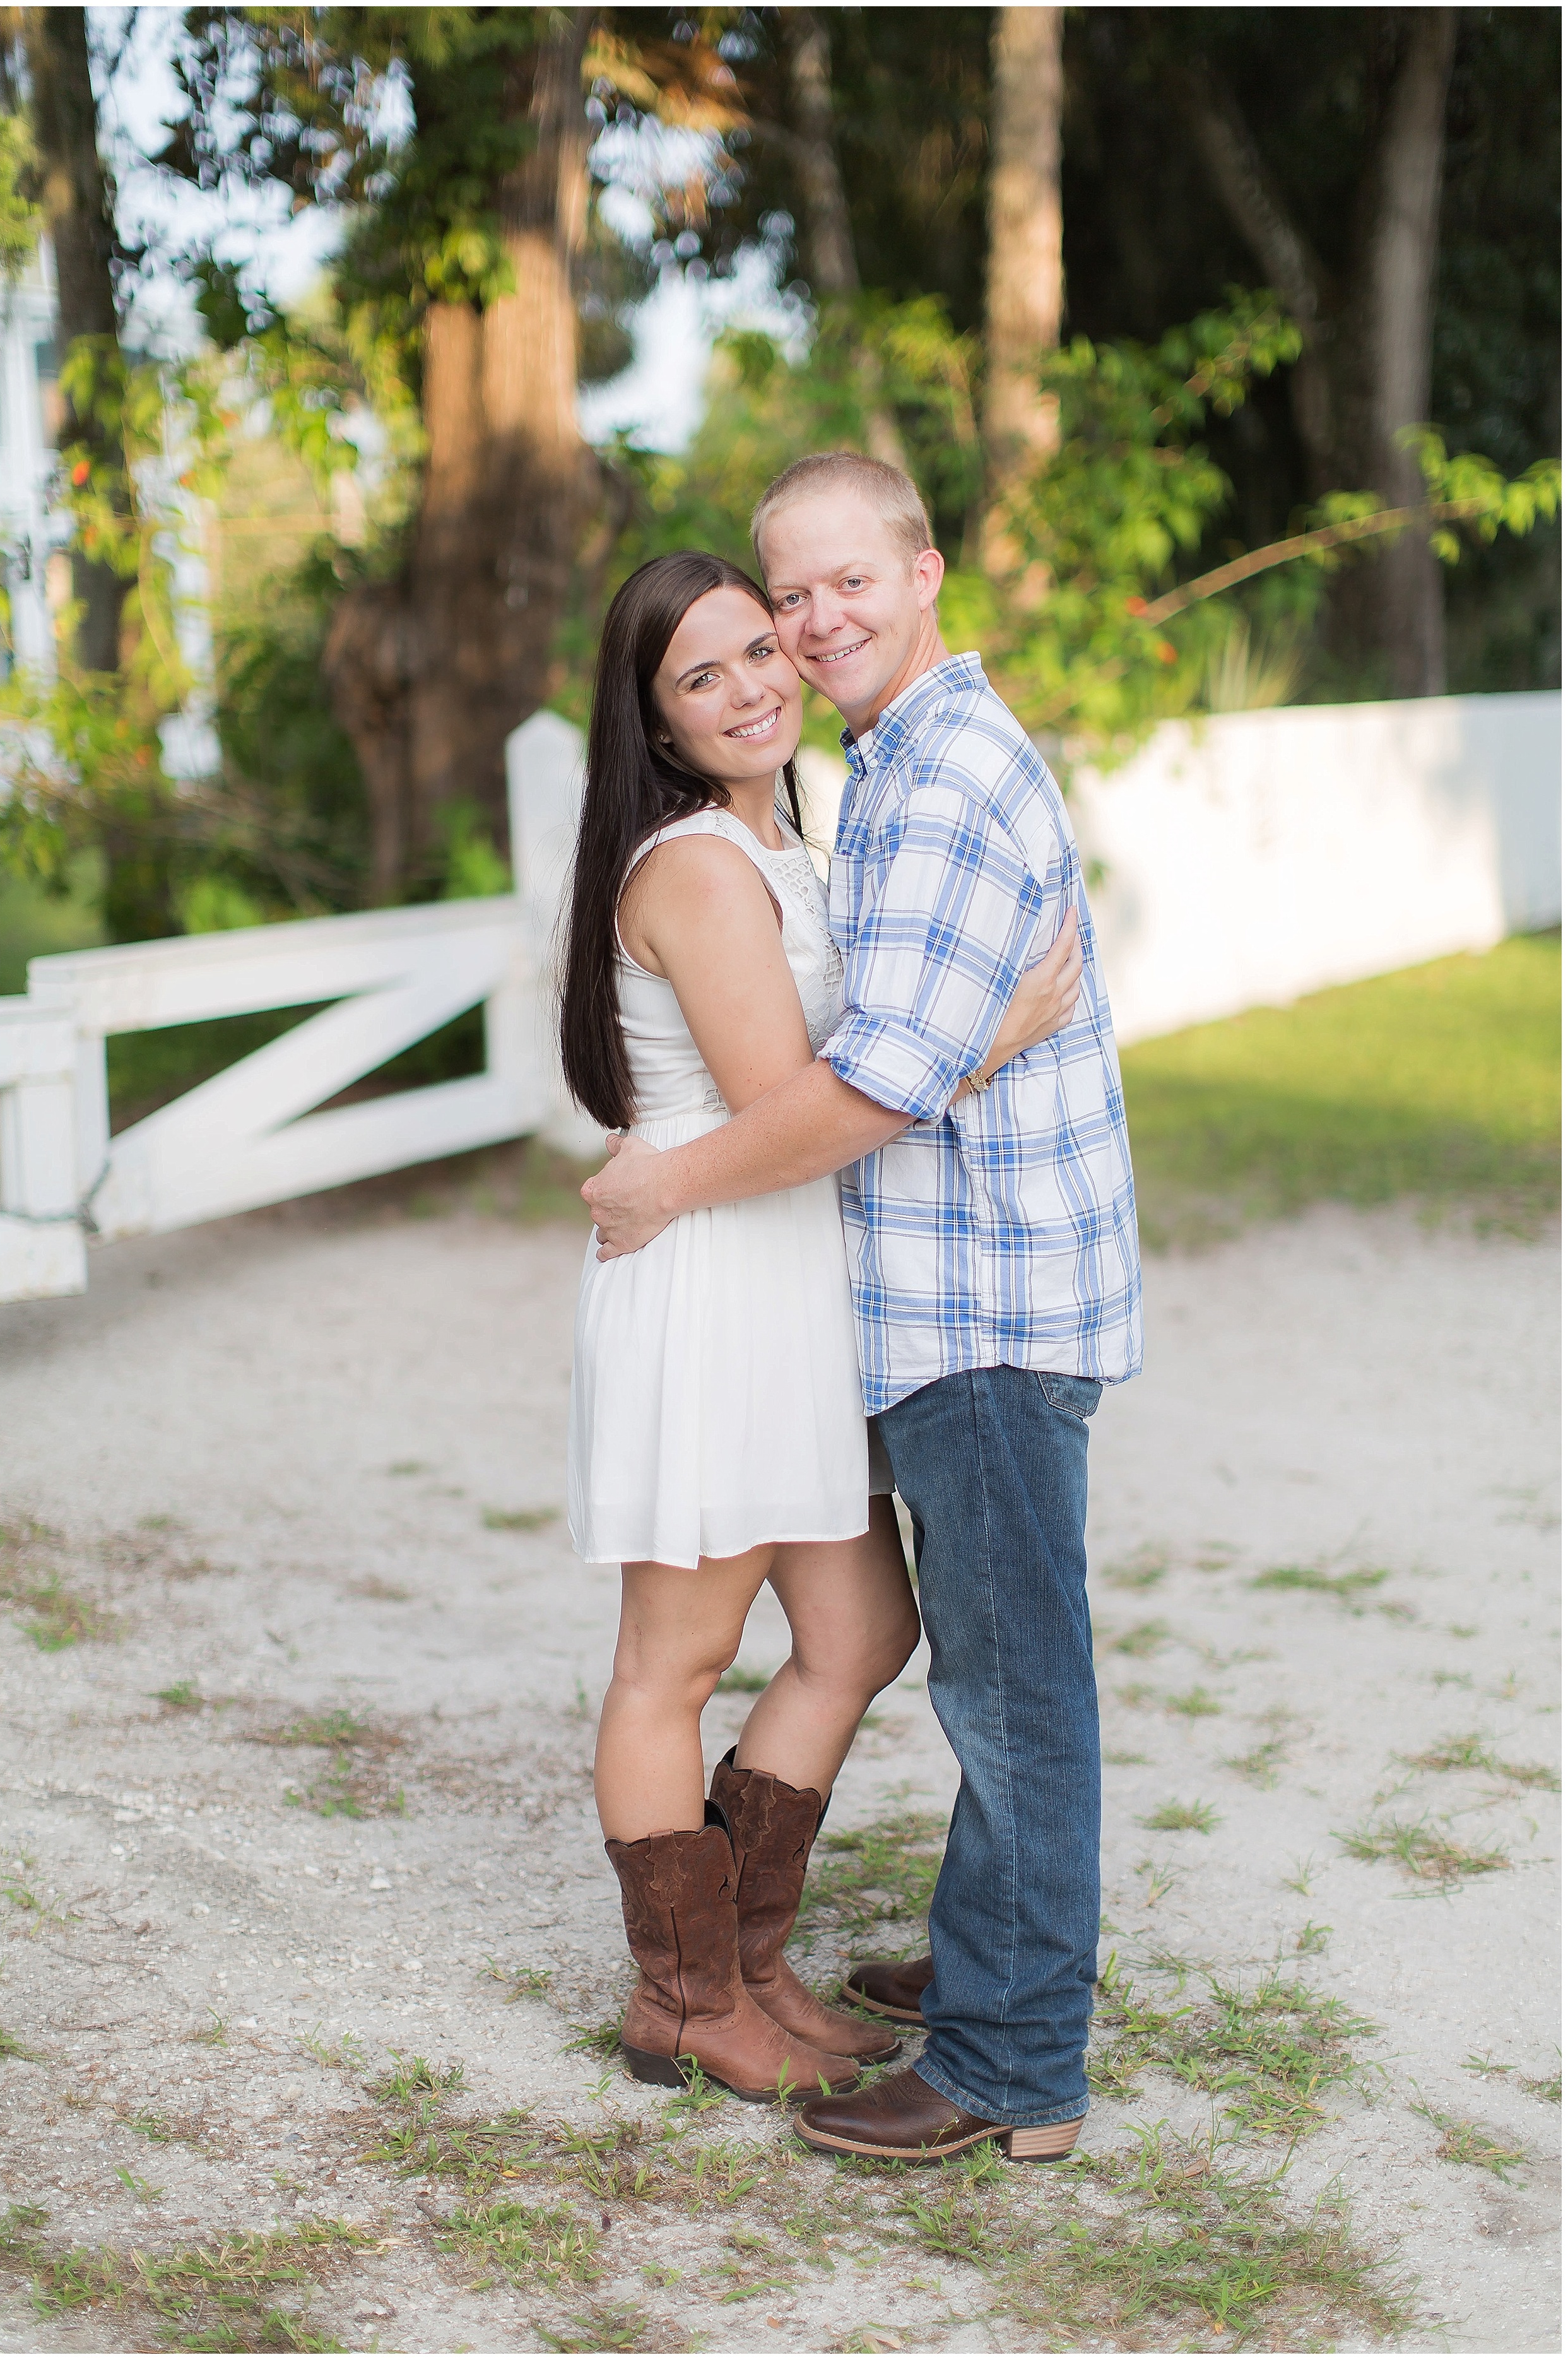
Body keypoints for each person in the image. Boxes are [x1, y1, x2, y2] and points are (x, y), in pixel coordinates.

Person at [582, 456, 1143, 2166]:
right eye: (725, 658)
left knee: (910, 1647)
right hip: (733, 1278)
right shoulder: (729, 847)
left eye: (791, 623)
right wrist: (973, 1043)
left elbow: (858, 1084)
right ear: (660, 720)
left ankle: (849, 1992)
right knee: (692, 1654)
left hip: (863, 1284)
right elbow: (822, 1086)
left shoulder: (882, 791)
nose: (779, 659)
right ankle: (702, 1990)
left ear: (920, 571)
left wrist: (941, 1057)